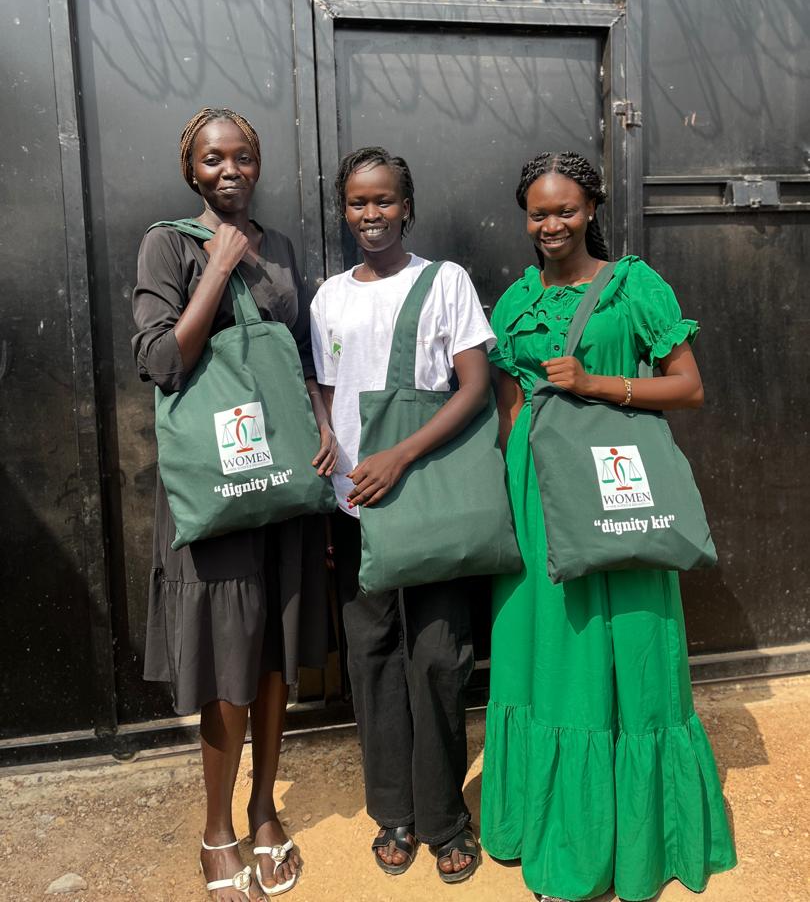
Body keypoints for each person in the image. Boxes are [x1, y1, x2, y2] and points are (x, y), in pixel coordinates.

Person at [480, 151, 737, 902]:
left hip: (617, 493)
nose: (551, 224)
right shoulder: (515, 301)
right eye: (538, 212)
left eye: (565, 209)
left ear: (591, 208)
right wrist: (513, 492)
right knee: (549, 655)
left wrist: (598, 384)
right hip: (538, 503)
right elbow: (508, 408)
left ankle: (630, 843)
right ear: (524, 216)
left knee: (624, 643)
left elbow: (688, 388)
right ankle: (555, 829)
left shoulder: (633, 287)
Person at [132, 108, 337, 901]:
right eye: (213, 159)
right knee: (226, 652)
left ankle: (262, 813)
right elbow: (158, 360)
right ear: (192, 170)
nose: (230, 170)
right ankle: (216, 824)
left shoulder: (281, 246)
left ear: (258, 165)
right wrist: (215, 269)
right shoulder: (167, 243)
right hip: (213, 485)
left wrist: (322, 426)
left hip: (282, 477)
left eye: (243, 157)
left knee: (277, 646)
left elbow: (300, 354)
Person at [310, 147, 494, 883]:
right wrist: (327, 433)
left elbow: (473, 385)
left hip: (432, 498)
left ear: (407, 205)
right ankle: (395, 812)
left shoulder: (444, 282)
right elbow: (326, 386)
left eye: (384, 200)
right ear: (343, 209)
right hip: (356, 508)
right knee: (374, 658)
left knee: (440, 657)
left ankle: (446, 816)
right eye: (357, 202)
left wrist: (400, 455)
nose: (371, 214)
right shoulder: (328, 296)